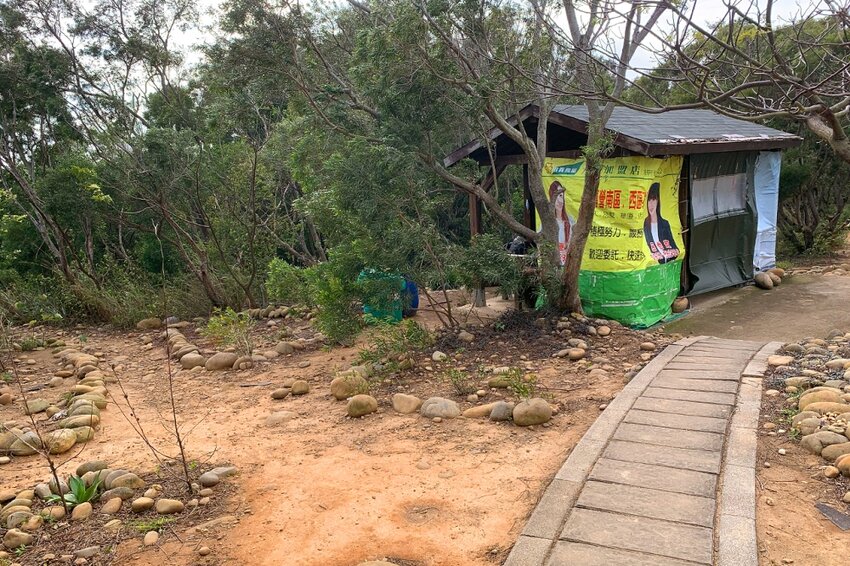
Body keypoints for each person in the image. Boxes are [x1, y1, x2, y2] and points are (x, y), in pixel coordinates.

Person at [643, 182, 680, 264]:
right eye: (649, 200)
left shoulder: (664, 223)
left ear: (658, 202)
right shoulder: (645, 223)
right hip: (655, 264)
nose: (651, 204)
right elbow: (647, 245)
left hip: (669, 262)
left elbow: (673, 245)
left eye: (653, 200)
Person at [548, 181, 575, 265]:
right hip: (553, 267)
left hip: (567, 266)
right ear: (551, 197)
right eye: (557, 196)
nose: (560, 201)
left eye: (561, 196)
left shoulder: (570, 221)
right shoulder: (547, 222)